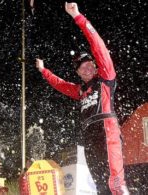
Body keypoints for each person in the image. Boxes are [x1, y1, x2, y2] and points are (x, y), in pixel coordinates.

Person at [35, 2, 129, 194]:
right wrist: (44, 70)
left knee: (116, 183)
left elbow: (99, 47)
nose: (86, 67)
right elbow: (60, 84)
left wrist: (78, 17)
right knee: (100, 185)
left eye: (88, 63)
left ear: (95, 65)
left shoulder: (105, 78)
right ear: (78, 73)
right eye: (81, 67)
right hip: (89, 136)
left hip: (107, 131)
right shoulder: (79, 91)